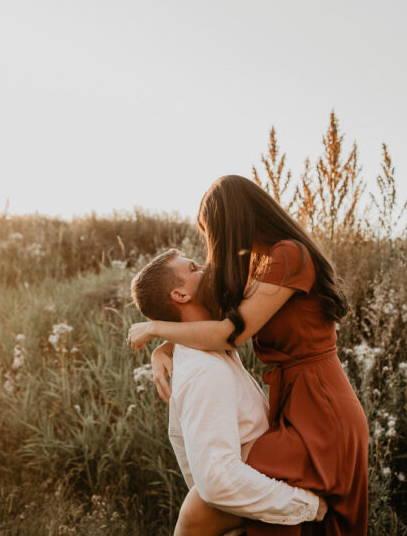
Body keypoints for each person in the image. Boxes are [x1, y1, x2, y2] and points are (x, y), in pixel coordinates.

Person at [127, 174, 369, 536]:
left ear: (231, 221)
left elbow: (228, 333)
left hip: (322, 407)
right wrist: (168, 347)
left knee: (208, 501)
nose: (212, 248)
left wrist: (157, 329)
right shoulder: (260, 265)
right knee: (240, 501)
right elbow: (213, 317)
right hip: (295, 403)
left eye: (212, 232)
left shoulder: (289, 256)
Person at [129, 247, 327, 535]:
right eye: (194, 268)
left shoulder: (205, 350)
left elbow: (217, 332)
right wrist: (307, 506)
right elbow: (216, 481)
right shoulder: (205, 371)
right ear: (180, 296)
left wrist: (163, 339)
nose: (207, 268)